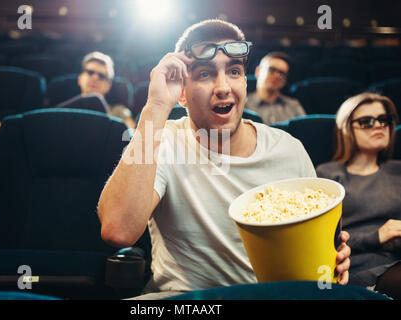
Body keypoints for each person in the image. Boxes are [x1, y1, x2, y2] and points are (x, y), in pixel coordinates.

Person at [97, 19, 350, 299]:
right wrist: (156, 107)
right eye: (205, 74)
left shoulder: (289, 150)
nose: (222, 87)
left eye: (233, 71)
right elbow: (118, 230)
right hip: (184, 299)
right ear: (182, 92)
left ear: (244, 81)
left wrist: (332, 263)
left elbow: (321, 246)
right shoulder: (162, 140)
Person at [316, 92, 401, 299]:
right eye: (366, 122)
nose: (379, 125)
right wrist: (377, 237)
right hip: (357, 269)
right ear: (347, 129)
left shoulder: (398, 170)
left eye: (384, 120)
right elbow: (319, 242)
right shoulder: (328, 174)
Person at [0, 51, 135, 156]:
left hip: (97, 153)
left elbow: (131, 138)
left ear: (108, 85)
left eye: (102, 75)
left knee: (94, 102)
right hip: (56, 150)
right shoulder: (64, 107)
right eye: (90, 72)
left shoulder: (120, 111)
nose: (95, 77)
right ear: (80, 78)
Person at [245, 52, 306, 124]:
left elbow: (305, 133)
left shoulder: (293, 106)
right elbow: (228, 133)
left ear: (285, 80)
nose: (277, 76)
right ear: (258, 71)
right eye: (271, 69)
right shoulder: (243, 104)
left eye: (282, 73)